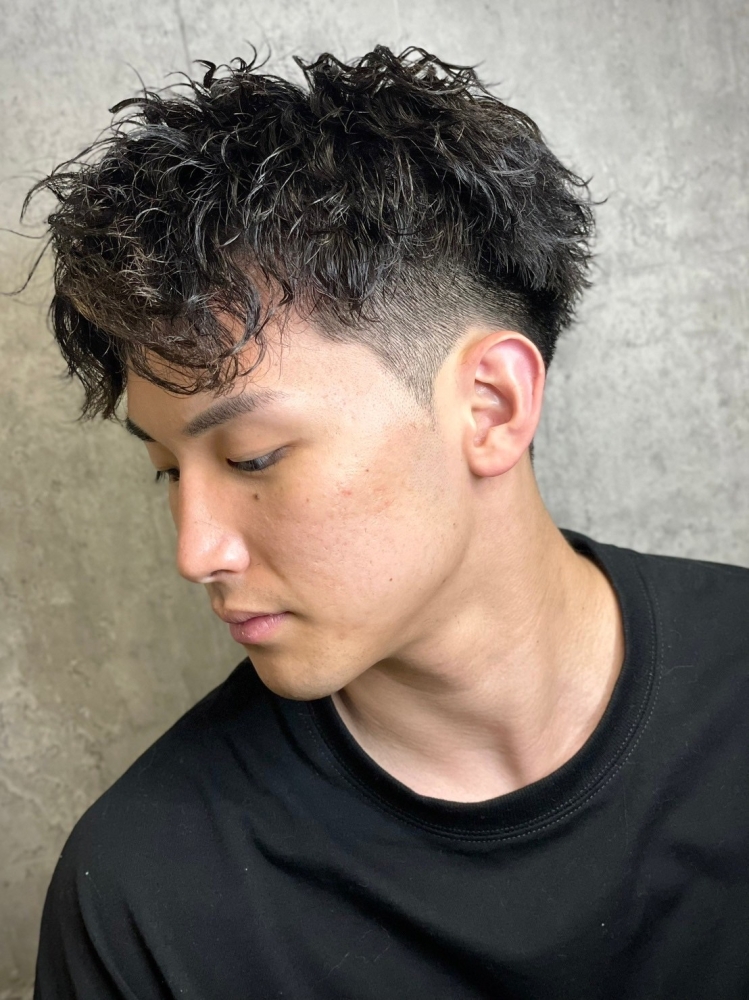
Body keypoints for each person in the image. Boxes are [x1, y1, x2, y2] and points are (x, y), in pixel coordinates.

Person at [29, 46, 748, 999]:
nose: (194, 551)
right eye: (167, 471)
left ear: (489, 406)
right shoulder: (149, 898)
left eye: (252, 457)